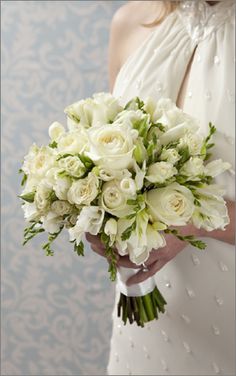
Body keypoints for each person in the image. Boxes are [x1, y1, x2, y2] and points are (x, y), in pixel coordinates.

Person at [86, 1, 235, 374]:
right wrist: (100, 214)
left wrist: (195, 223)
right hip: (150, 321)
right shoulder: (130, 22)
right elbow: (118, 163)